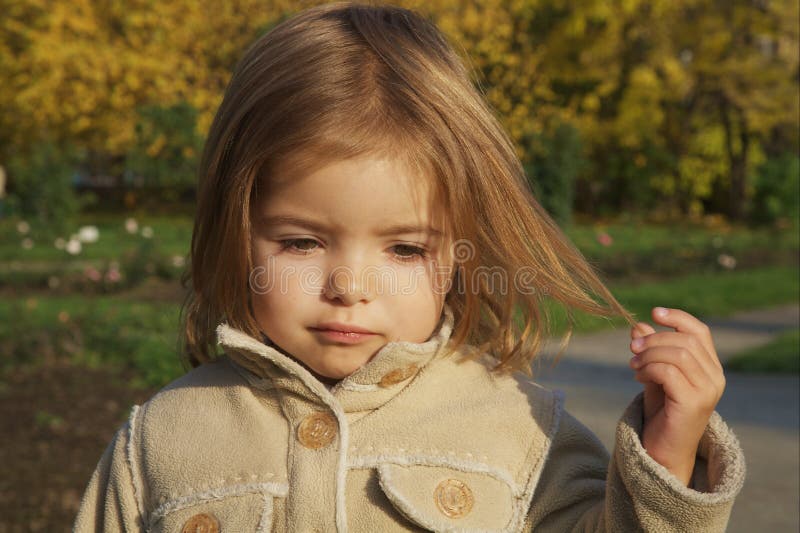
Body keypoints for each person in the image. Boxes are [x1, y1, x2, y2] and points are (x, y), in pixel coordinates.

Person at [74, 3, 745, 531]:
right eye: (302, 242)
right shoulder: (159, 441)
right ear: (234, 232)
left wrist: (667, 456)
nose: (349, 288)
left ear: (461, 252)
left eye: (405, 249)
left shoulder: (518, 431)